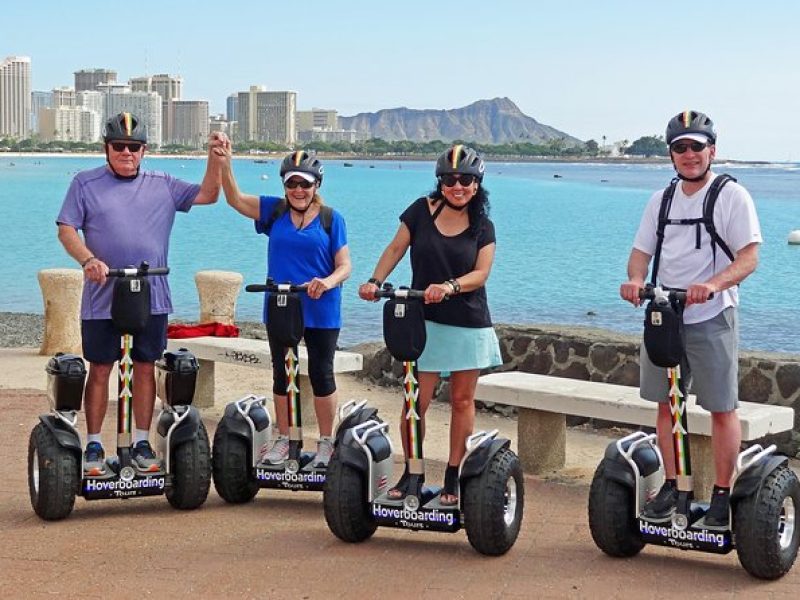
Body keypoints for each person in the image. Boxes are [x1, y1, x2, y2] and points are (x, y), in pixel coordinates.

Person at [56, 112, 225, 475]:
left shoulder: (162, 183)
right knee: (100, 368)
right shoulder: (85, 184)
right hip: (103, 293)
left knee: (145, 367)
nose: (126, 153)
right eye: (119, 146)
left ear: (144, 150)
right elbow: (67, 228)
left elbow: (209, 194)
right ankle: (95, 444)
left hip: (152, 294)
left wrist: (216, 158)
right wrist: (87, 259)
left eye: (134, 147)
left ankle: (143, 441)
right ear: (106, 149)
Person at [620, 110, 761, 526]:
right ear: (671, 155)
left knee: (720, 408)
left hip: (712, 314)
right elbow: (640, 253)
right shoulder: (661, 199)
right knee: (666, 406)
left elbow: (749, 257)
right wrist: (634, 280)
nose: (688, 155)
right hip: (664, 314)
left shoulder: (732, 196)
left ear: (711, 150)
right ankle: (674, 483)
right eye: (680, 148)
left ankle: (721, 493)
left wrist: (713, 286)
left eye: (696, 146)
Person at [358, 145, 502, 506]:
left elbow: (481, 273)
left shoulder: (483, 226)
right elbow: (395, 249)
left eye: (466, 180)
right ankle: (413, 472)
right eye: (450, 180)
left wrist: (450, 286)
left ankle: (453, 476)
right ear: (440, 182)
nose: (458, 186)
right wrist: (375, 281)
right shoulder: (421, 211)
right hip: (424, 320)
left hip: (467, 321)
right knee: (414, 401)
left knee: (461, 399)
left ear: (477, 183)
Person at [214, 144, 351, 468]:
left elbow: (344, 265)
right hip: (281, 305)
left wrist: (327, 282)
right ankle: (286, 438)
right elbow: (234, 199)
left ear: (316, 185)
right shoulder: (274, 212)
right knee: (282, 373)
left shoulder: (332, 219)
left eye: (305, 183)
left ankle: (326, 442)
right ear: (284, 186)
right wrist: (225, 163)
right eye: (292, 183)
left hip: (321, 306)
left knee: (321, 373)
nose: (299, 190)